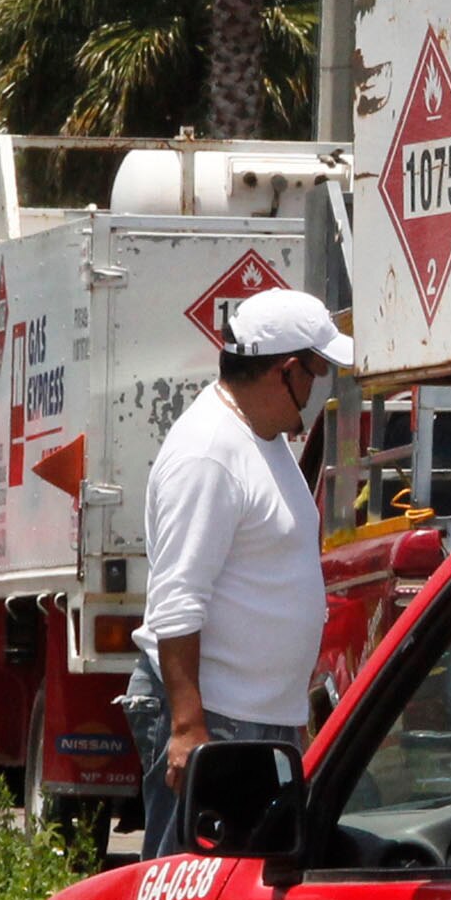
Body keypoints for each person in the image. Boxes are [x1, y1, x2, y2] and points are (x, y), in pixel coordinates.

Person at [122, 286, 353, 857]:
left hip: (252, 720)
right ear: (286, 371)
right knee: (188, 897)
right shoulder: (209, 452)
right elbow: (177, 599)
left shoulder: (260, 440)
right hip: (216, 722)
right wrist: (187, 727)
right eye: (317, 372)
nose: (319, 388)